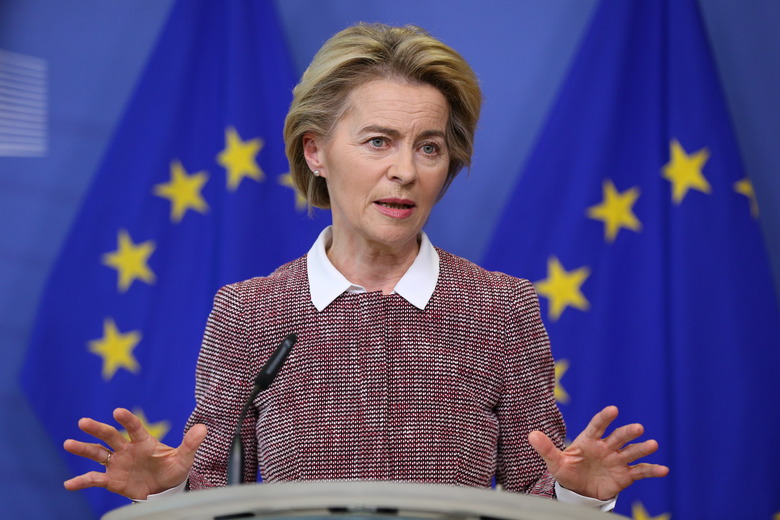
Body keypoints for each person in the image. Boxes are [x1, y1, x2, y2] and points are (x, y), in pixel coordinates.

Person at [63, 23, 668, 510]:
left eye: (428, 146)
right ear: (316, 150)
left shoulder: (499, 308)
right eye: (378, 141)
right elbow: (219, 497)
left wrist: (572, 496)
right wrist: (166, 494)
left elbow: (531, 492)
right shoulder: (249, 311)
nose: (405, 169)